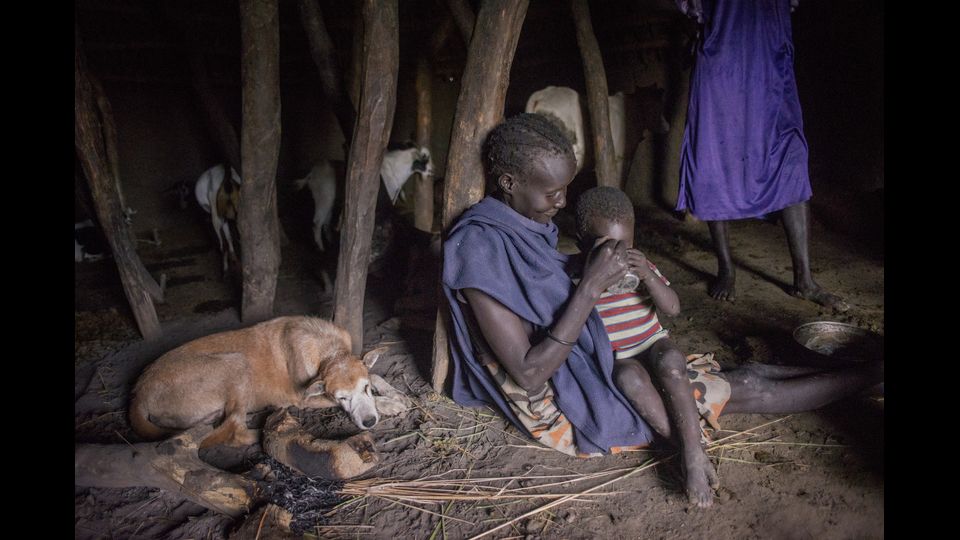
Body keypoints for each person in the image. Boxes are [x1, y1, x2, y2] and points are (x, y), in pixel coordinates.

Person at [573, 185, 883, 507]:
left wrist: (648, 278)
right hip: (622, 358)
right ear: (582, 244)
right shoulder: (575, 279)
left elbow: (673, 308)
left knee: (676, 362)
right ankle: (689, 448)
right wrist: (592, 283)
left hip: (653, 343)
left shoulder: (641, 267)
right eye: (606, 247)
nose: (617, 256)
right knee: (633, 378)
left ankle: (693, 452)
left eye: (626, 246)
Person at [674, 0, 848, 311]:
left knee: (790, 160)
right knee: (715, 157)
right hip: (723, 59)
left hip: (770, 60)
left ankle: (804, 280)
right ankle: (726, 268)